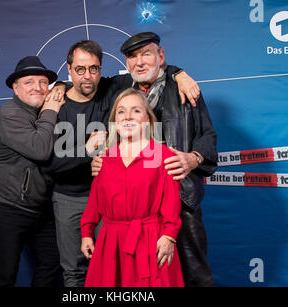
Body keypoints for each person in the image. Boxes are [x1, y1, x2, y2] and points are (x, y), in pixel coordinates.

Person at [43, 40, 200, 287]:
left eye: (94, 69)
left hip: (138, 227)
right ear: (69, 68)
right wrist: (88, 153)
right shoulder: (55, 106)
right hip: (73, 199)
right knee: (80, 272)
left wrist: (178, 74)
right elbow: (49, 163)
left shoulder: (114, 90)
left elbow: (149, 67)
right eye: (80, 69)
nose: (88, 75)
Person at [91, 32, 218, 286]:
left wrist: (194, 158)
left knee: (195, 273)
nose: (139, 62)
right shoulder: (121, 88)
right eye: (132, 57)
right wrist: (58, 86)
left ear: (161, 56)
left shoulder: (184, 88)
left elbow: (208, 135)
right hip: (140, 206)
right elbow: (86, 82)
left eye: (146, 54)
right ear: (126, 63)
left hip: (181, 198)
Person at [80, 88, 184, 287]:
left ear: (147, 119)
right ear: (115, 120)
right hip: (111, 243)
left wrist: (169, 236)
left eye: (135, 110)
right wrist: (87, 232)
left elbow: (171, 203)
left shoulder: (163, 156)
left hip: (152, 241)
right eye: (121, 111)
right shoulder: (104, 159)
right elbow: (94, 202)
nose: (127, 116)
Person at [0, 56, 64, 287]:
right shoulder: (10, 114)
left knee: (53, 261)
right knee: (4, 275)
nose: (37, 87)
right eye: (29, 82)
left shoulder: (38, 111)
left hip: (38, 207)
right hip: (5, 206)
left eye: (42, 82)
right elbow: (40, 149)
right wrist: (51, 110)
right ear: (16, 89)